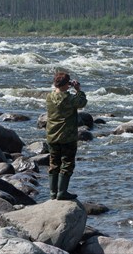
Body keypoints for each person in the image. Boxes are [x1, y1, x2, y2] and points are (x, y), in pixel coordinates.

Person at [45, 72, 87, 200]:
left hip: (52, 135)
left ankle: (53, 193)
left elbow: (60, 93)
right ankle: (62, 192)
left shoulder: (49, 97)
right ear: (66, 85)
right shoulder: (70, 99)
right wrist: (78, 90)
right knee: (67, 163)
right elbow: (82, 102)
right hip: (67, 137)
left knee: (54, 164)